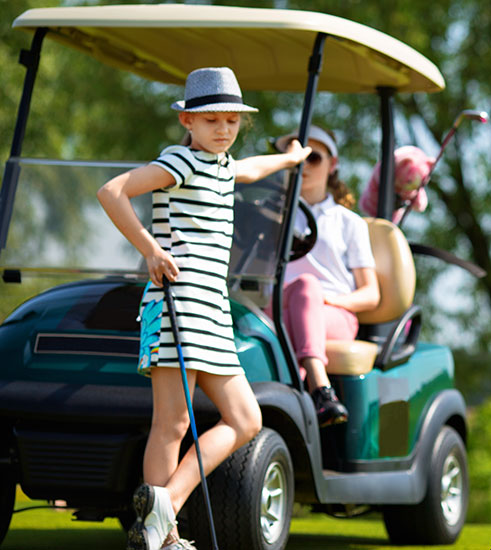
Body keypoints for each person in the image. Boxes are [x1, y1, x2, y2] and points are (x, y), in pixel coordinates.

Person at [98, 67, 311, 550]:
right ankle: (164, 534)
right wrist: (151, 249)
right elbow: (112, 191)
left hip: (212, 311)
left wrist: (291, 158)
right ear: (188, 122)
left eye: (231, 121)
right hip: (177, 301)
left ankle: (162, 507)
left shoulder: (223, 167)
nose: (223, 129)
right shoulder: (181, 162)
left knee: (246, 420)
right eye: (211, 119)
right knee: (172, 424)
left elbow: (251, 168)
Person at [272, 125, 380, 427]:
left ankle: (318, 387)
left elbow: (371, 294)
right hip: (279, 307)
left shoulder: (349, 223)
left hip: (332, 313)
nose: (303, 164)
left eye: (314, 158)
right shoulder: (270, 215)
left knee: (307, 287)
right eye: (295, 156)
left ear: (332, 165)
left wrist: (324, 298)